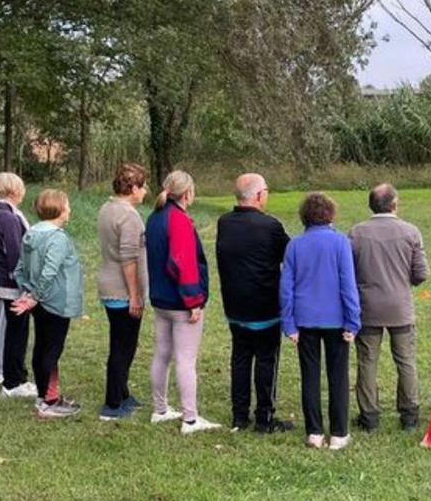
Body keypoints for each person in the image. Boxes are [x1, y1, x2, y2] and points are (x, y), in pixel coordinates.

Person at [280, 192, 361, 450]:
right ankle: (338, 433)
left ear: (304, 216)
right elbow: (348, 285)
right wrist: (353, 321)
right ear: (330, 214)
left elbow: (286, 287)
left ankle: (314, 433)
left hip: (305, 320)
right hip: (336, 320)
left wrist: (289, 323)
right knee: (338, 377)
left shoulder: (294, 245)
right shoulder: (340, 243)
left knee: (310, 376)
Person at [215, 173, 294, 434]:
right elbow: (290, 255)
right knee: (266, 360)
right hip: (264, 306)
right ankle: (264, 417)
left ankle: (239, 415)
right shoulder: (270, 226)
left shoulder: (224, 222)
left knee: (240, 358)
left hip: (235, 305)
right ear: (260, 195)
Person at [145, 170, 221, 433]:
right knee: (186, 359)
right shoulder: (178, 220)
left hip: (160, 299)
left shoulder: (154, 218)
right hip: (179, 301)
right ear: (188, 193)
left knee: (162, 353)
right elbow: (182, 262)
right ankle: (190, 418)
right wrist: (194, 300)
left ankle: (160, 408)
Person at [350, 184, 429, 433]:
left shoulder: (356, 233)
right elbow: (421, 274)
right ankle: (409, 416)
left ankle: (370, 417)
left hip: (368, 308)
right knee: (405, 360)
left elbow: (348, 272)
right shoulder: (410, 232)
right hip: (400, 308)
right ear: (394, 205)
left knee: (367, 362)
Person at [11, 189, 85, 419]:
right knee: (51, 350)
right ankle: (50, 401)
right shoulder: (57, 238)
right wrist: (33, 296)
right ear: (59, 209)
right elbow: (49, 272)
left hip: (40, 304)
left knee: (42, 347)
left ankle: (44, 395)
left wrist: (28, 293)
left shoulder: (31, 233)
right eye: (68, 205)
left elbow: (19, 270)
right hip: (55, 303)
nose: (70, 209)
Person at [95, 163, 149, 421]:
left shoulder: (107, 208)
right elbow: (129, 259)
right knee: (122, 347)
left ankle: (124, 393)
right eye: (143, 186)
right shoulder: (128, 216)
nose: (146, 191)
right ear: (133, 188)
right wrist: (135, 295)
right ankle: (113, 404)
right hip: (121, 289)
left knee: (123, 342)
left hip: (109, 284)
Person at [0, 172, 37, 400]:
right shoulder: (7, 218)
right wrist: (27, 286)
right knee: (17, 333)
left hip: (5, 282)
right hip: (14, 284)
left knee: (15, 331)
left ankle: (16, 377)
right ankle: (14, 381)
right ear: (14, 190)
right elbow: (16, 254)